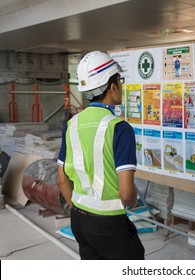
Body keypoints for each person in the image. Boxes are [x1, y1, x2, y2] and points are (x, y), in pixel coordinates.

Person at [57, 51, 145, 260]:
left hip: (78, 219)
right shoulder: (119, 128)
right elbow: (126, 194)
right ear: (112, 86)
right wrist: (131, 202)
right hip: (108, 223)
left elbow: (61, 179)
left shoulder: (71, 124)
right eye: (119, 81)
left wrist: (79, 208)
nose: (121, 86)